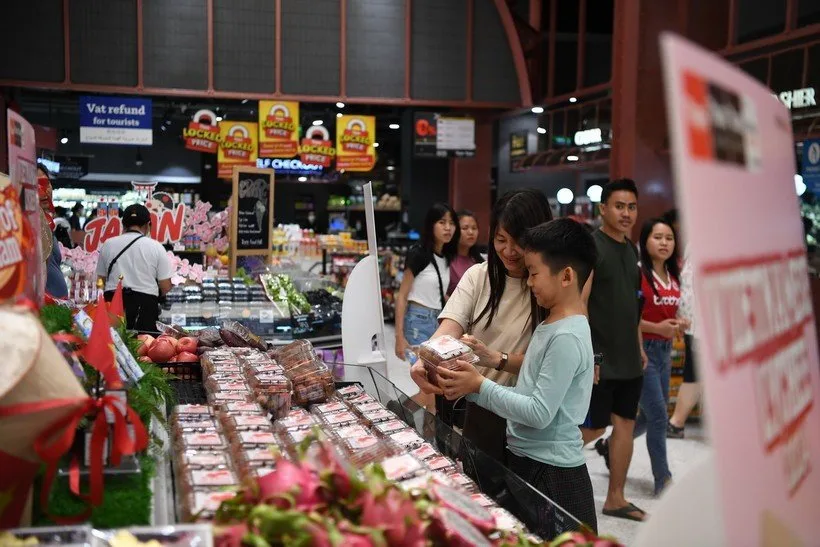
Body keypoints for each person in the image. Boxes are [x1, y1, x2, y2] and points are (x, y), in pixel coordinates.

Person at [436, 218, 598, 536]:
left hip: (552, 473)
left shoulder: (566, 336)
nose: (528, 282)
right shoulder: (552, 324)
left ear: (566, 276)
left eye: (534, 273)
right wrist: (483, 366)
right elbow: (532, 387)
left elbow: (538, 412)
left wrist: (479, 385)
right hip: (530, 459)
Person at [410, 189, 552, 461]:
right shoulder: (479, 275)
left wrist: (497, 359)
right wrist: (426, 357)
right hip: (477, 414)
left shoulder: (548, 288)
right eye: (500, 239)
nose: (508, 251)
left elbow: (548, 364)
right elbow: (451, 325)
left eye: (519, 241)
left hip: (525, 420)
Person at [596, 217, 685, 496]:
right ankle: (663, 480)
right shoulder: (638, 273)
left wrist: (679, 323)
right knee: (658, 416)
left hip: (666, 352)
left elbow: (669, 312)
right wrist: (657, 328)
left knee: (649, 416)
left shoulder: (673, 275)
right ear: (645, 242)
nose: (664, 243)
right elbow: (628, 318)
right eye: (657, 237)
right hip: (642, 351)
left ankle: (607, 445)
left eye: (669, 238)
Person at [581, 178, 648, 522]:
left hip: (629, 358)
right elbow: (580, 304)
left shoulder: (631, 250)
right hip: (600, 359)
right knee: (593, 429)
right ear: (603, 208)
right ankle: (535, 471)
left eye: (631, 207)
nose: (626, 213)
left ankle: (616, 498)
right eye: (619, 206)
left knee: (625, 424)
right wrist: (589, 353)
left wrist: (639, 345)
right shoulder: (592, 248)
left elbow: (632, 305)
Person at [395, 203, 458, 410]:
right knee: (428, 390)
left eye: (451, 223)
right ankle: (394, 415)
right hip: (418, 322)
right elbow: (402, 296)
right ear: (431, 225)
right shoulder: (418, 253)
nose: (448, 228)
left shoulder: (445, 257)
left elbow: (439, 293)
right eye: (442, 222)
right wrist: (399, 337)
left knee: (433, 390)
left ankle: (404, 418)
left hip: (437, 323)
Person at [96, 204, 172, 331]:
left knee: (114, 340)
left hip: (113, 303)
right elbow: (166, 286)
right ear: (148, 225)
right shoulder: (156, 247)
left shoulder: (108, 244)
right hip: (145, 306)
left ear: (123, 224)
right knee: (144, 341)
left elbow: (100, 281)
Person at [668, 245, 700, 438]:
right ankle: (676, 422)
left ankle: (677, 422)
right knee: (693, 370)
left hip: (701, 323)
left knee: (694, 371)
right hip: (691, 322)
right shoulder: (694, 244)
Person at [38, 165, 68, 298]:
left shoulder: (46, 223)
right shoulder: (26, 225)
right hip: (43, 304)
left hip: (55, 303)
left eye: (46, 182)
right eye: (36, 184)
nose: (44, 190)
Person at [447, 210, 484, 296]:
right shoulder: (446, 260)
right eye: (465, 228)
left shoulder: (480, 261)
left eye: (474, 228)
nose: (471, 232)